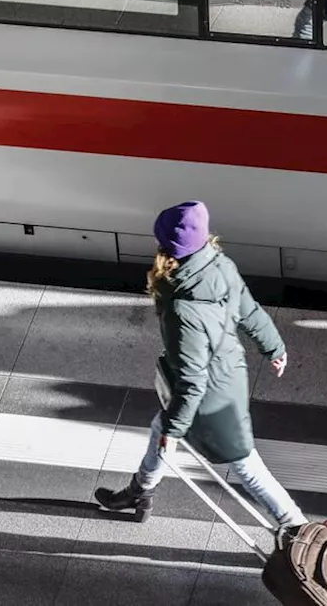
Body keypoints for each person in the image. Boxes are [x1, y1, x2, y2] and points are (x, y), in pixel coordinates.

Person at [94, 201, 308, 528]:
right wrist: (274, 347)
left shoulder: (181, 308)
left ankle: (298, 529)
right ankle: (141, 490)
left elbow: (193, 382)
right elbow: (249, 313)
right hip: (230, 376)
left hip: (212, 398)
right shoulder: (220, 265)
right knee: (161, 427)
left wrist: (174, 429)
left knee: (245, 466)